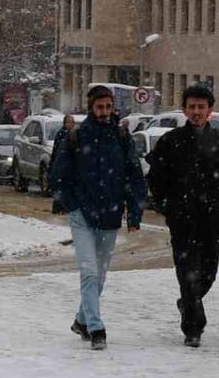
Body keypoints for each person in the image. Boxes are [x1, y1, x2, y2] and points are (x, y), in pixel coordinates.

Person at [146, 84, 219, 348]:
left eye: (201, 107)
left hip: (210, 218)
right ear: (184, 109)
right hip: (181, 220)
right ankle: (193, 327)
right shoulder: (170, 141)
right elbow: (155, 178)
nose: (196, 112)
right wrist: (165, 205)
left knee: (208, 273)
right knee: (187, 273)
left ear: (210, 110)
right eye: (192, 107)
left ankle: (187, 302)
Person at [49, 85, 146, 351]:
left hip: (111, 214)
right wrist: (67, 202)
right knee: (89, 271)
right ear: (91, 108)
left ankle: (81, 319)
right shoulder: (77, 137)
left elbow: (134, 176)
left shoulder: (121, 137)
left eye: (108, 107)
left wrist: (134, 213)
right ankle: (96, 327)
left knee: (100, 274)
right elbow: (58, 174)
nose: (104, 112)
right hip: (82, 213)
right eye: (99, 107)